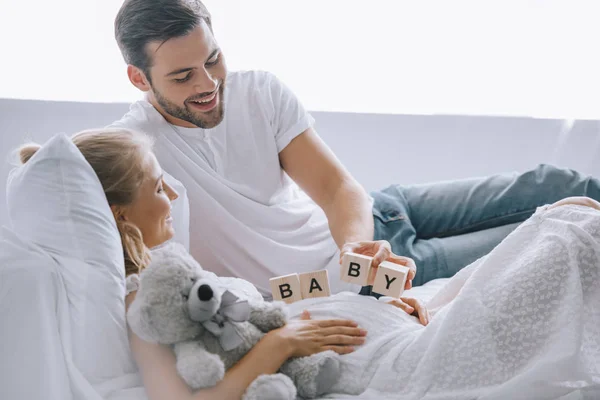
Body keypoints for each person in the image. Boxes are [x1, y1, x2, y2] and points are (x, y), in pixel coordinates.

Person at [110, 0, 600, 301]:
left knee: (560, 183)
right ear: (138, 78)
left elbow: (335, 187)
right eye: (183, 76)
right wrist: (354, 272)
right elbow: (57, 173)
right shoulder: (136, 151)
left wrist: (352, 247)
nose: (209, 83)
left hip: (375, 217)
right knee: (564, 230)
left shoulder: (258, 91)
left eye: (213, 59)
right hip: (361, 280)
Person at [16, 128, 429, 400]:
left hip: (351, 324)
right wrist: (281, 343)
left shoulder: (167, 267)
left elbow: (266, 299)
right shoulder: (145, 304)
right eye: (159, 187)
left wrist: (366, 295)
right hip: (342, 359)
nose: (172, 198)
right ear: (120, 213)